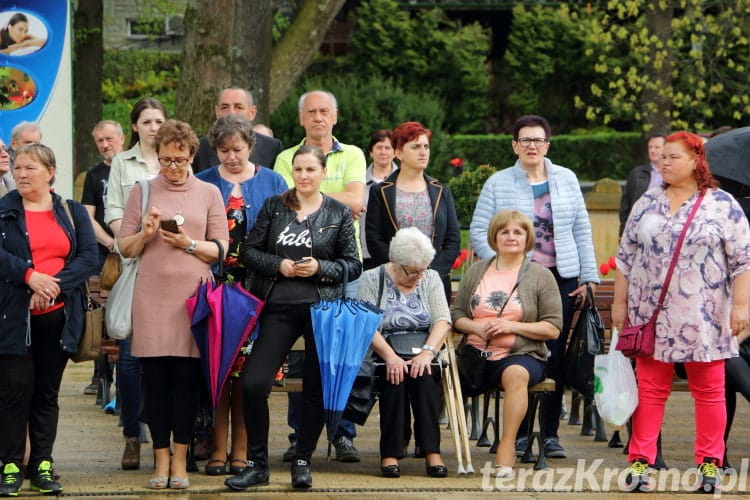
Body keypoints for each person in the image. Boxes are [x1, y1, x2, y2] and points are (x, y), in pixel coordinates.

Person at [613, 131, 750, 493]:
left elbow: (742, 261)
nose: (664, 162)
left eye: (673, 157)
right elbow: (625, 257)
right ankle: (640, 461)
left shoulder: (722, 205)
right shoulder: (647, 202)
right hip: (650, 315)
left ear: (696, 161)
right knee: (650, 388)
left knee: (709, 390)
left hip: (703, 316)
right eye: (663, 157)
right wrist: (620, 303)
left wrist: (741, 307)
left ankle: (710, 464)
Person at [226, 145, 361, 491]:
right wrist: (279, 264)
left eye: (310, 170)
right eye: (298, 170)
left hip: (320, 307)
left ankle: (303, 459)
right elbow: (250, 253)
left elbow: (353, 263)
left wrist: (320, 268)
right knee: (255, 383)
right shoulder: (275, 207)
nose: (303, 176)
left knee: (315, 387)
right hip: (278, 305)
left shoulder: (337, 212)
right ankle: (258, 463)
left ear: (322, 173)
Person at [469, 114, 598, 459]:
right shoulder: (498, 183)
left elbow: (582, 231)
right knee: (522, 352)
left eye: (538, 140)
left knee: (555, 353)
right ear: (514, 145)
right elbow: (481, 230)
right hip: (517, 280)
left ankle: (551, 434)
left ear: (547, 145)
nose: (531, 146)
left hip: (562, 277)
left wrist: (588, 277)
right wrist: (501, 267)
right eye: (524, 140)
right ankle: (520, 434)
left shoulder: (567, 179)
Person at [116, 120, 228, 489]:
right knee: (156, 382)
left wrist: (189, 244)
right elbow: (124, 248)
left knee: (186, 383)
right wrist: (146, 234)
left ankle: (180, 460)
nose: (173, 168)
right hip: (151, 297)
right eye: (165, 160)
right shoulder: (143, 190)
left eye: (179, 160)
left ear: (192, 155)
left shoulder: (210, 192)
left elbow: (220, 249)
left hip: (192, 299)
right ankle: (159, 459)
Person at [273, 90, 367, 462]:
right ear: (300, 119)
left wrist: (314, 194)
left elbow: (357, 200)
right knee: (301, 358)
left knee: (343, 354)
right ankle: (301, 436)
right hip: (296, 267)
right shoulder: (284, 157)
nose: (317, 117)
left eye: (324, 111)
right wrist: (336, 196)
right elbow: (289, 204)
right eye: (310, 112)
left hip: (344, 267)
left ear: (336, 115)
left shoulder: (355, 154)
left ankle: (342, 433)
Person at [0, 143, 98, 496]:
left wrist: (52, 286)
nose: (22, 174)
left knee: (46, 393)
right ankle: (10, 465)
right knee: (14, 392)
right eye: (18, 167)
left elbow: (89, 258)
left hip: (58, 316)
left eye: (30, 168)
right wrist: (29, 277)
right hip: (13, 316)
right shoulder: (4, 210)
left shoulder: (71, 212)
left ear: (50, 172)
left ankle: (43, 462)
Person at [194, 114, 287, 476]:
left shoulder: (274, 181)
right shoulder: (203, 182)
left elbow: (284, 233)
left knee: (248, 377)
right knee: (220, 371)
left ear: (250, 146)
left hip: (258, 293)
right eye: (223, 150)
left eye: (237, 149)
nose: (230, 156)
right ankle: (217, 448)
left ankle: (242, 452)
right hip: (217, 290)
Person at [452, 210, 562, 479]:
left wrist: (511, 326)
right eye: (504, 231)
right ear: (494, 237)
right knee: (433, 372)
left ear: (527, 238)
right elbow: (456, 315)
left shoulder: (540, 275)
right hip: (474, 355)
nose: (511, 237)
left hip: (520, 354)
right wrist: (475, 326)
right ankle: (427, 447)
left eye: (518, 232)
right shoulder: (477, 270)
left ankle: (507, 446)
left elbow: (553, 327)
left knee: (516, 374)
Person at [357, 227, 451, 478]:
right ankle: (391, 452)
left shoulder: (430, 277)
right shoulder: (371, 278)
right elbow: (366, 325)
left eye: (423, 270)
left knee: (424, 374)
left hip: (424, 347)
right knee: (394, 375)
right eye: (413, 271)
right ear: (396, 264)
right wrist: (390, 356)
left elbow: (443, 320)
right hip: (384, 347)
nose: (420, 276)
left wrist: (428, 352)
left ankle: (432, 452)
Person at [104, 96, 167, 471]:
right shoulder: (122, 164)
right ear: (136, 126)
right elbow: (113, 209)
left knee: (167, 358)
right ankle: (132, 434)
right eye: (146, 122)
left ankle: (166, 432)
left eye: (159, 121)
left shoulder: (175, 160)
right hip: (133, 263)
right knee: (129, 359)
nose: (154, 128)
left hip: (171, 265)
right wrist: (131, 240)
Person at [365, 121, 460, 301]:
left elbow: (452, 239)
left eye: (426, 146)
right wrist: (402, 272)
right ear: (399, 153)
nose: (423, 151)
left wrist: (432, 274)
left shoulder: (441, 190)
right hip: (392, 283)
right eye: (416, 147)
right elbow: (374, 239)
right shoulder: (381, 192)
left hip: (434, 283)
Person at [80, 120, 125, 395]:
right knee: (100, 314)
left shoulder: (132, 170)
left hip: (132, 250)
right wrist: (109, 241)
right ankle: (100, 375)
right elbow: (87, 215)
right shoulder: (94, 175)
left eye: (109, 139)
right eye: (99, 140)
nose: (105, 145)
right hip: (103, 253)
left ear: (122, 139)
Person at [192, 87, 283, 173]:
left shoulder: (272, 147)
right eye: (224, 107)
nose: (231, 112)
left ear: (252, 112)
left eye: (238, 107)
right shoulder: (200, 148)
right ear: (217, 112)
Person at [362, 129, 397, 270]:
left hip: (397, 257)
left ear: (395, 152)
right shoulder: (358, 182)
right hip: (365, 255)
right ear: (371, 152)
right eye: (379, 147)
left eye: (388, 148)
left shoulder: (404, 182)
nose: (383, 152)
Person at [618, 134, 666, 236]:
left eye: (657, 147)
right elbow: (625, 205)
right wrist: (623, 231)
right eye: (650, 147)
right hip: (638, 228)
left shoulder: (672, 174)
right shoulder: (637, 173)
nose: (652, 150)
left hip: (663, 229)